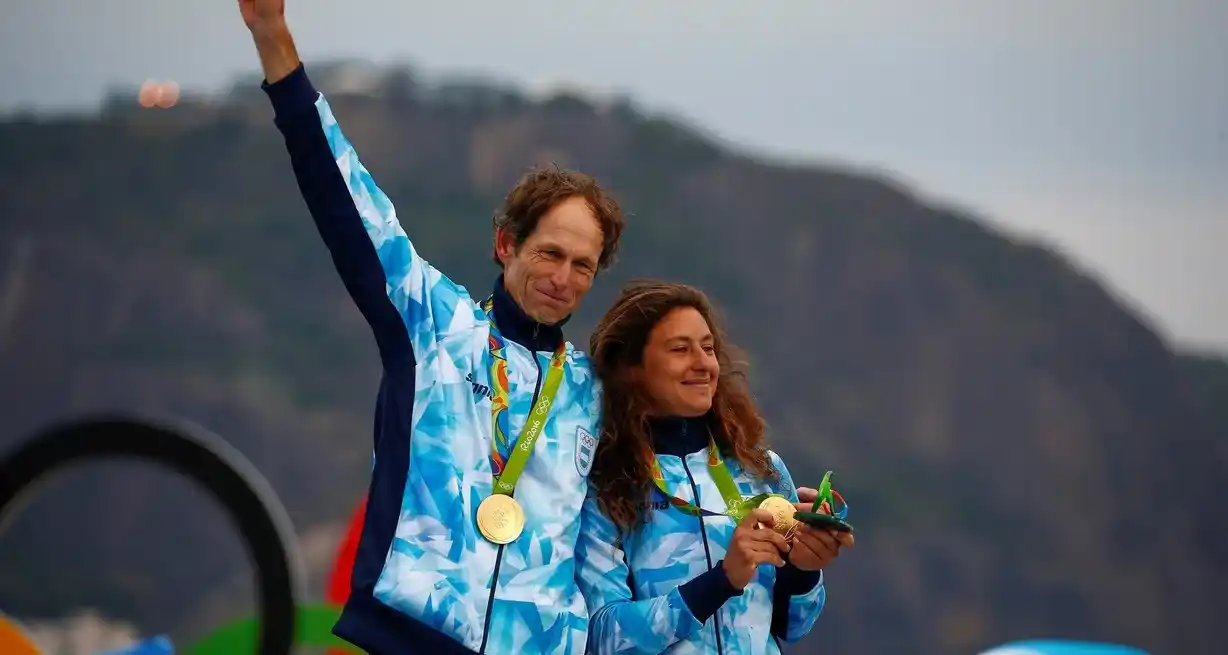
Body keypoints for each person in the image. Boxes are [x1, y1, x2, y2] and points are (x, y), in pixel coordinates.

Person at [236, 2, 627, 653]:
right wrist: (274, 40)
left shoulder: (593, 393)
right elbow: (348, 199)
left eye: (582, 265)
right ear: (507, 244)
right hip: (410, 636)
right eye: (550, 253)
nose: (564, 276)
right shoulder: (436, 326)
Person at [575, 280, 855, 654]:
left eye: (708, 348)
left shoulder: (762, 470)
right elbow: (603, 636)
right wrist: (722, 580)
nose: (703, 363)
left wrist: (802, 569)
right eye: (680, 349)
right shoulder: (605, 486)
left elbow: (793, 626)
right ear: (631, 369)